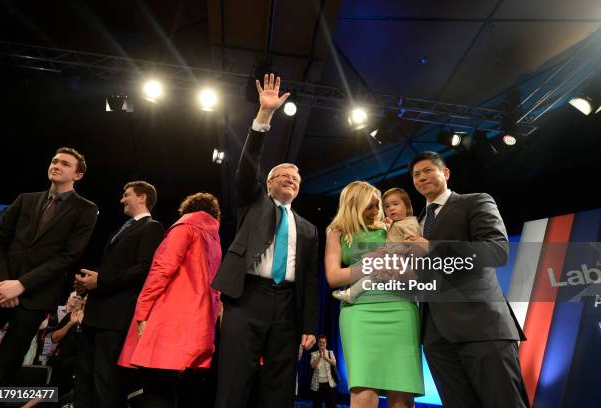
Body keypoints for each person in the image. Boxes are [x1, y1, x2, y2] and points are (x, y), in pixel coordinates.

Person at [212, 73, 319, 408]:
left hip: (287, 306)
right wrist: (264, 116)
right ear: (269, 184)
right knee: (233, 379)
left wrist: (309, 325)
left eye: (296, 178)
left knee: (281, 385)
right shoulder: (252, 201)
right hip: (247, 297)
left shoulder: (309, 229)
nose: (291, 180)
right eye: (283, 175)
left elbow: (311, 279)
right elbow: (247, 167)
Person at [407, 151, 528, 408]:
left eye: (428, 170)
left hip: (481, 326)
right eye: (416, 175)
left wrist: (433, 248)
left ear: (446, 173)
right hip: (435, 335)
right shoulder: (415, 223)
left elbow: (497, 251)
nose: (421, 177)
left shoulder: (475, 202)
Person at [0, 147, 98, 386]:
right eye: (54, 161)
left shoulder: (86, 210)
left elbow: (68, 256)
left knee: (7, 364)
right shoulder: (25, 199)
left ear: (77, 175)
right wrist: (1, 282)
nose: (56, 165)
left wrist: (21, 285)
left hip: (36, 296)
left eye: (65, 164)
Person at [117, 192, 223, 408]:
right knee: (171, 390)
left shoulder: (185, 228)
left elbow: (161, 270)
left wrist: (142, 312)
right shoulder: (214, 240)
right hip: (196, 326)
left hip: (167, 323)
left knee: (155, 391)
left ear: (187, 210)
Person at [325, 181, 423, 408]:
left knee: (402, 392)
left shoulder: (392, 227)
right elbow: (333, 277)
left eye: (377, 205)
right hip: (359, 313)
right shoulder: (336, 231)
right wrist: (367, 264)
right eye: (370, 206)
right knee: (363, 389)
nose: (376, 211)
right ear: (354, 205)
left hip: (401, 311)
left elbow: (416, 275)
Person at [74, 181, 165, 408]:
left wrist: (101, 280)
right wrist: (89, 283)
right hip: (95, 314)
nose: (122, 199)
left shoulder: (152, 227)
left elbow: (143, 269)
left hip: (115, 317)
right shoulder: (122, 228)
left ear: (142, 197)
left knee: (106, 382)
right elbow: (115, 268)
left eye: (126, 195)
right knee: (84, 379)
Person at [332, 187, 420, 303]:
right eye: (387, 206)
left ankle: (351, 294)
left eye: (396, 204)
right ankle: (351, 294)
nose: (377, 211)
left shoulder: (408, 223)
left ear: (407, 207)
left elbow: (412, 245)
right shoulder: (392, 225)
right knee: (372, 277)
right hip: (367, 300)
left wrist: (392, 251)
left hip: (398, 276)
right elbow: (334, 277)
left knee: (373, 277)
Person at [309, 335, 337, 408]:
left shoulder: (330, 352)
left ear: (326, 344)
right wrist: (319, 356)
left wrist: (325, 357)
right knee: (317, 404)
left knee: (331, 404)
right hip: (317, 383)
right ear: (318, 344)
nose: (322, 344)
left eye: (324, 342)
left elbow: (334, 363)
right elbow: (312, 366)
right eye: (320, 342)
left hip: (329, 383)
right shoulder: (314, 354)